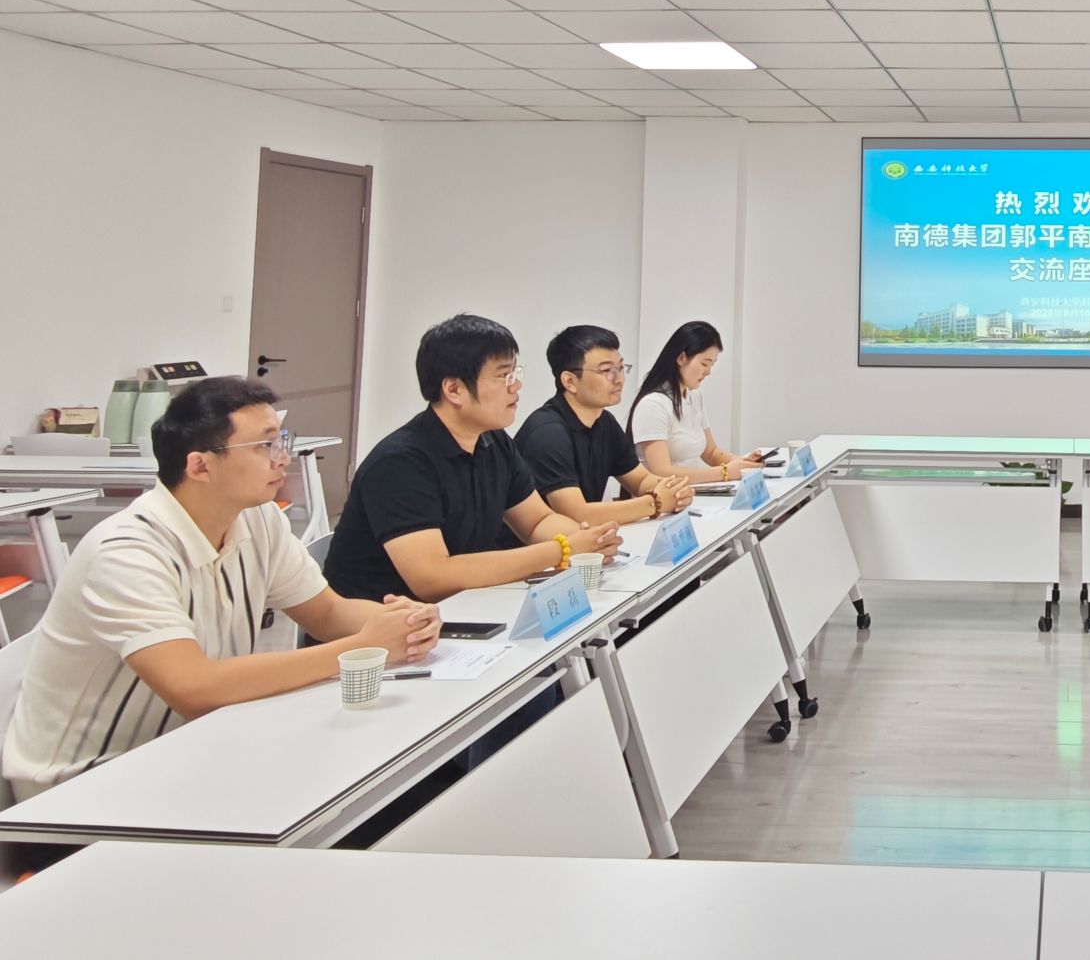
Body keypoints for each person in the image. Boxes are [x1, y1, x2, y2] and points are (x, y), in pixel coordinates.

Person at [2, 377, 440, 800]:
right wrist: (363, 646)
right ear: (200, 465)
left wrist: (403, 621)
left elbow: (327, 613)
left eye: (281, 441)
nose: (282, 458)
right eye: (264, 445)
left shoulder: (257, 518)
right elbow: (195, 689)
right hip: (83, 782)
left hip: (187, 748)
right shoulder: (126, 552)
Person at [323, 314, 622, 603]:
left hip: (462, 607)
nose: (516, 386)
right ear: (454, 389)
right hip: (379, 626)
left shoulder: (493, 441)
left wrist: (591, 541)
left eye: (516, 373)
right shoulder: (400, 463)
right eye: (504, 376)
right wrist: (562, 550)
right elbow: (433, 578)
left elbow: (536, 521)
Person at [514, 324, 693, 524]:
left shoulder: (604, 422)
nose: (619, 379)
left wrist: (675, 490)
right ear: (569, 381)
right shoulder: (547, 433)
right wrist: (655, 503)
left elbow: (640, 480)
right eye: (607, 370)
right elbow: (576, 514)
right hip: (540, 542)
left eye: (621, 368)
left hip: (584, 538)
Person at [629, 321, 760, 484]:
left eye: (712, 365)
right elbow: (661, 471)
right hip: (666, 495)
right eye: (704, 363)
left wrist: (743, 462)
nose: (708, 372)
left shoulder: (694, 397)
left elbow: (711, 453)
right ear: (681, 358)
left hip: (693, 491)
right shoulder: (653, 404)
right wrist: (724, 472)